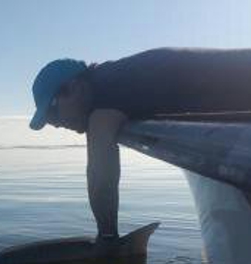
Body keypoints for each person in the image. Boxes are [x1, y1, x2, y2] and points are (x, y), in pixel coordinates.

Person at [29, 47, 251, 249]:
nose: (55, 124)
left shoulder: (107, 94)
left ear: (74, 88)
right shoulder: (112, 81)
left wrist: (108, 240)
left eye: (52, 113)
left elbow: (101, 178)